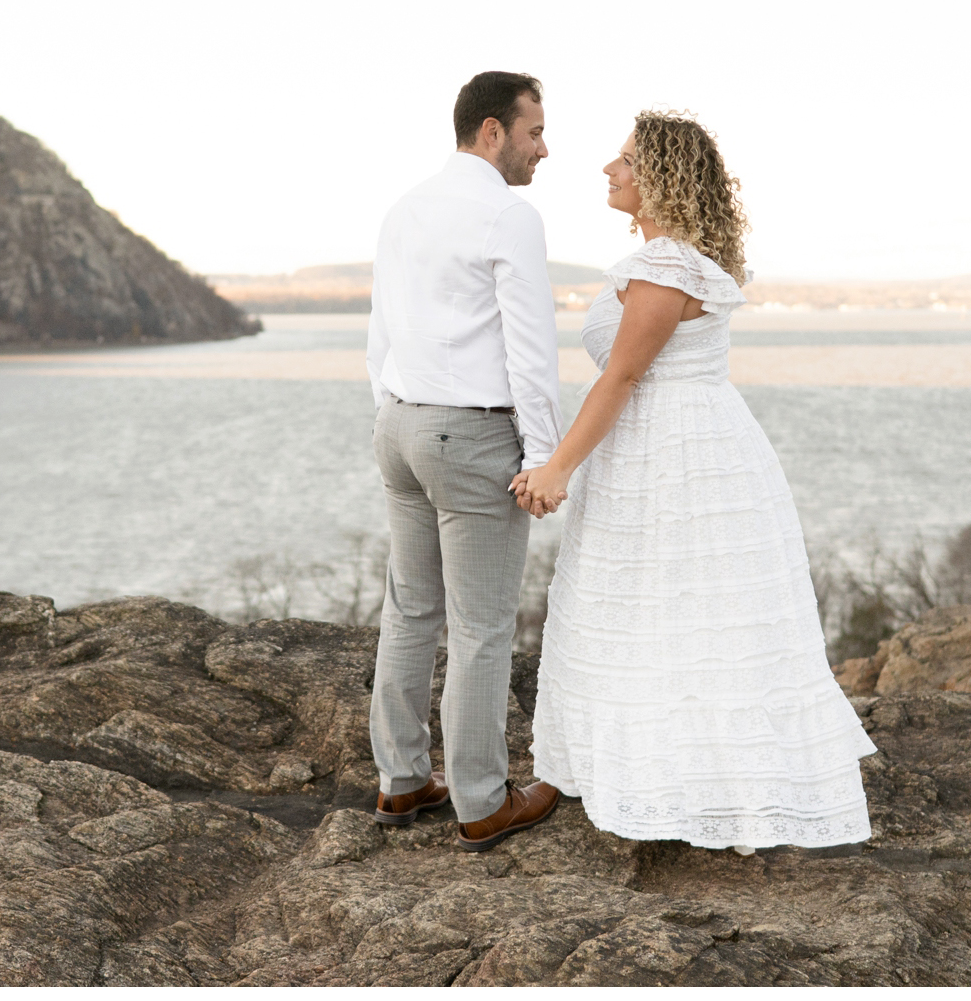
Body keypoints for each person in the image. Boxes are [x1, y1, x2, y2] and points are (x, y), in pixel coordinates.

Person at [514, 110, 875, 855]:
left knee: (679, 613)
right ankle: (663, 779)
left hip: (675, 453)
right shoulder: (672, 259)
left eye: (623, 160)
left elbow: (622, 375)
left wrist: (557, 469)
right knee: (665, 614)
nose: (608, 171)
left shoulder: (666, 266)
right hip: (675, 443)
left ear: (663, 178)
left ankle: (695, 792)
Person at [364, 70, 565, 853]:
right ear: (492, 131)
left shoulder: (404, 207)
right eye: (534, 132)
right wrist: (546, 455)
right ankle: (481, 801)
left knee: (411, 608)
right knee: (481, 627)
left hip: (399, 424)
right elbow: (531, 349)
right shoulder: (508, 215)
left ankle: (403, 779)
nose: (543, 149)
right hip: (469, 435)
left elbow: (380, 334)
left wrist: (390, 411)